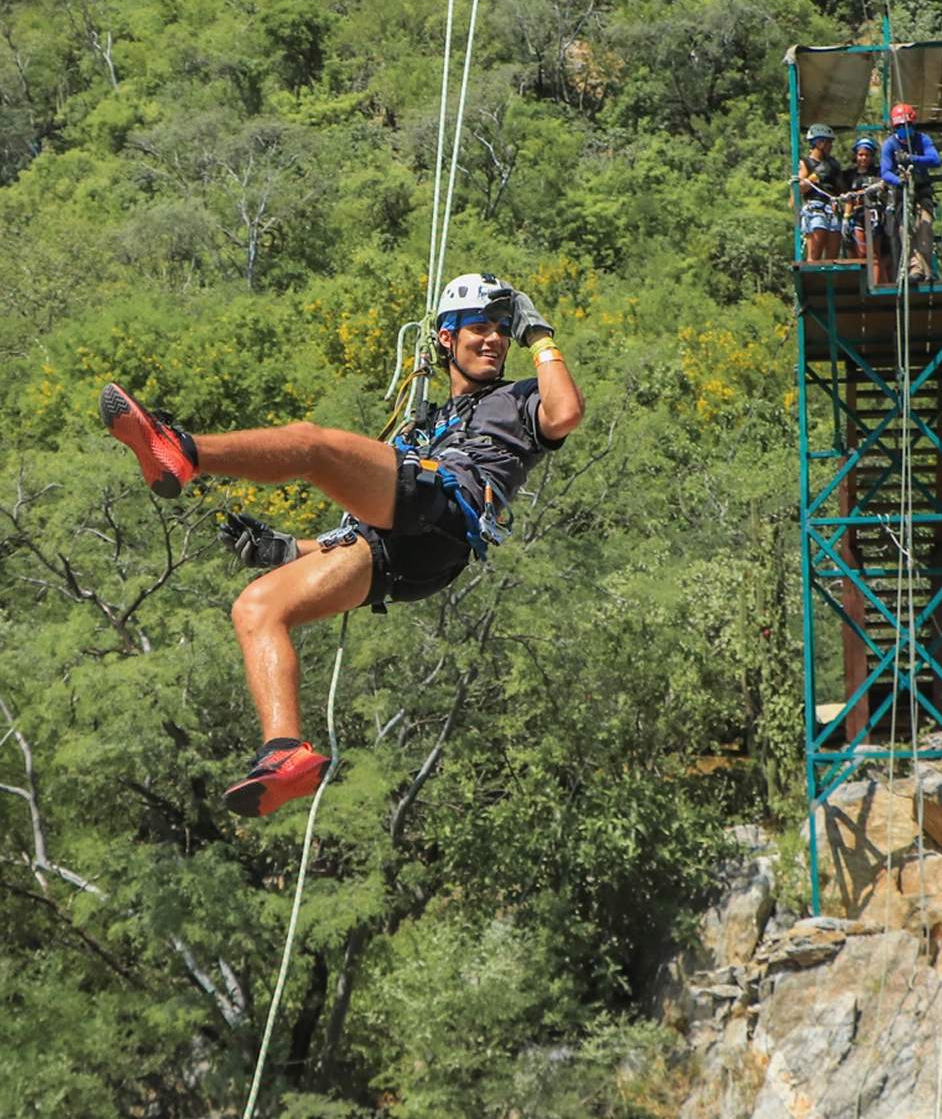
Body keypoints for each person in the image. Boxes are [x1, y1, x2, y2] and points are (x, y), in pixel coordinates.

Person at [99, 273, 585, 817]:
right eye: (479, 328)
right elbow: (358, 532)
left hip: (442, 516)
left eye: (500, 328)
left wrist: (538, 334)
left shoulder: (519, 401)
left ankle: (181, 450)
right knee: (257, 606)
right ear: (446, 339)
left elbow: (565, 413)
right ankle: (285, 753)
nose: (493, 339)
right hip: (403, 557)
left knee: (312, 445)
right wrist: (289, 550)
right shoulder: (429, 422)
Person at [880, 104, 942, 282]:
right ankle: (914, 269)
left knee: (925, 226)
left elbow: (936, 160)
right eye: (899, 127)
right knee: (905, 230)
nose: (903, 131)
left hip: (922, 189)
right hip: (902, 191)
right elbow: (885, 172)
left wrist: (912, 159)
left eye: (906, 126)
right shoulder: (890, 145)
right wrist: (899, 180)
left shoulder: (922, 140)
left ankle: (926, 270)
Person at [842, 136, 890, 285]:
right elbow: (845, 196)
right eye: (861, 155)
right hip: (856, 214)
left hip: (874, 214)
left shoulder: (878, 173)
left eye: (867, 155)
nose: (863, 158)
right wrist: (846, 217)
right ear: (856, 155)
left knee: (874, 253)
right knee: (860, 252)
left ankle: (876, 285)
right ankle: (864, 284)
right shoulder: (849, 175)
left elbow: (884, 188)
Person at [797, 123, 844, 262]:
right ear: (820, 143)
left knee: (833, 254)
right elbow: (800, 187)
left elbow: (841, 187)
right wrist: (814, 177)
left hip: (833, 207)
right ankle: (812, 279)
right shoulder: (805, 163)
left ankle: (829, 281)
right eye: (829, 142)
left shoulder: (833, 164)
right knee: (815, 251)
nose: (831, 146)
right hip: (815, 207)